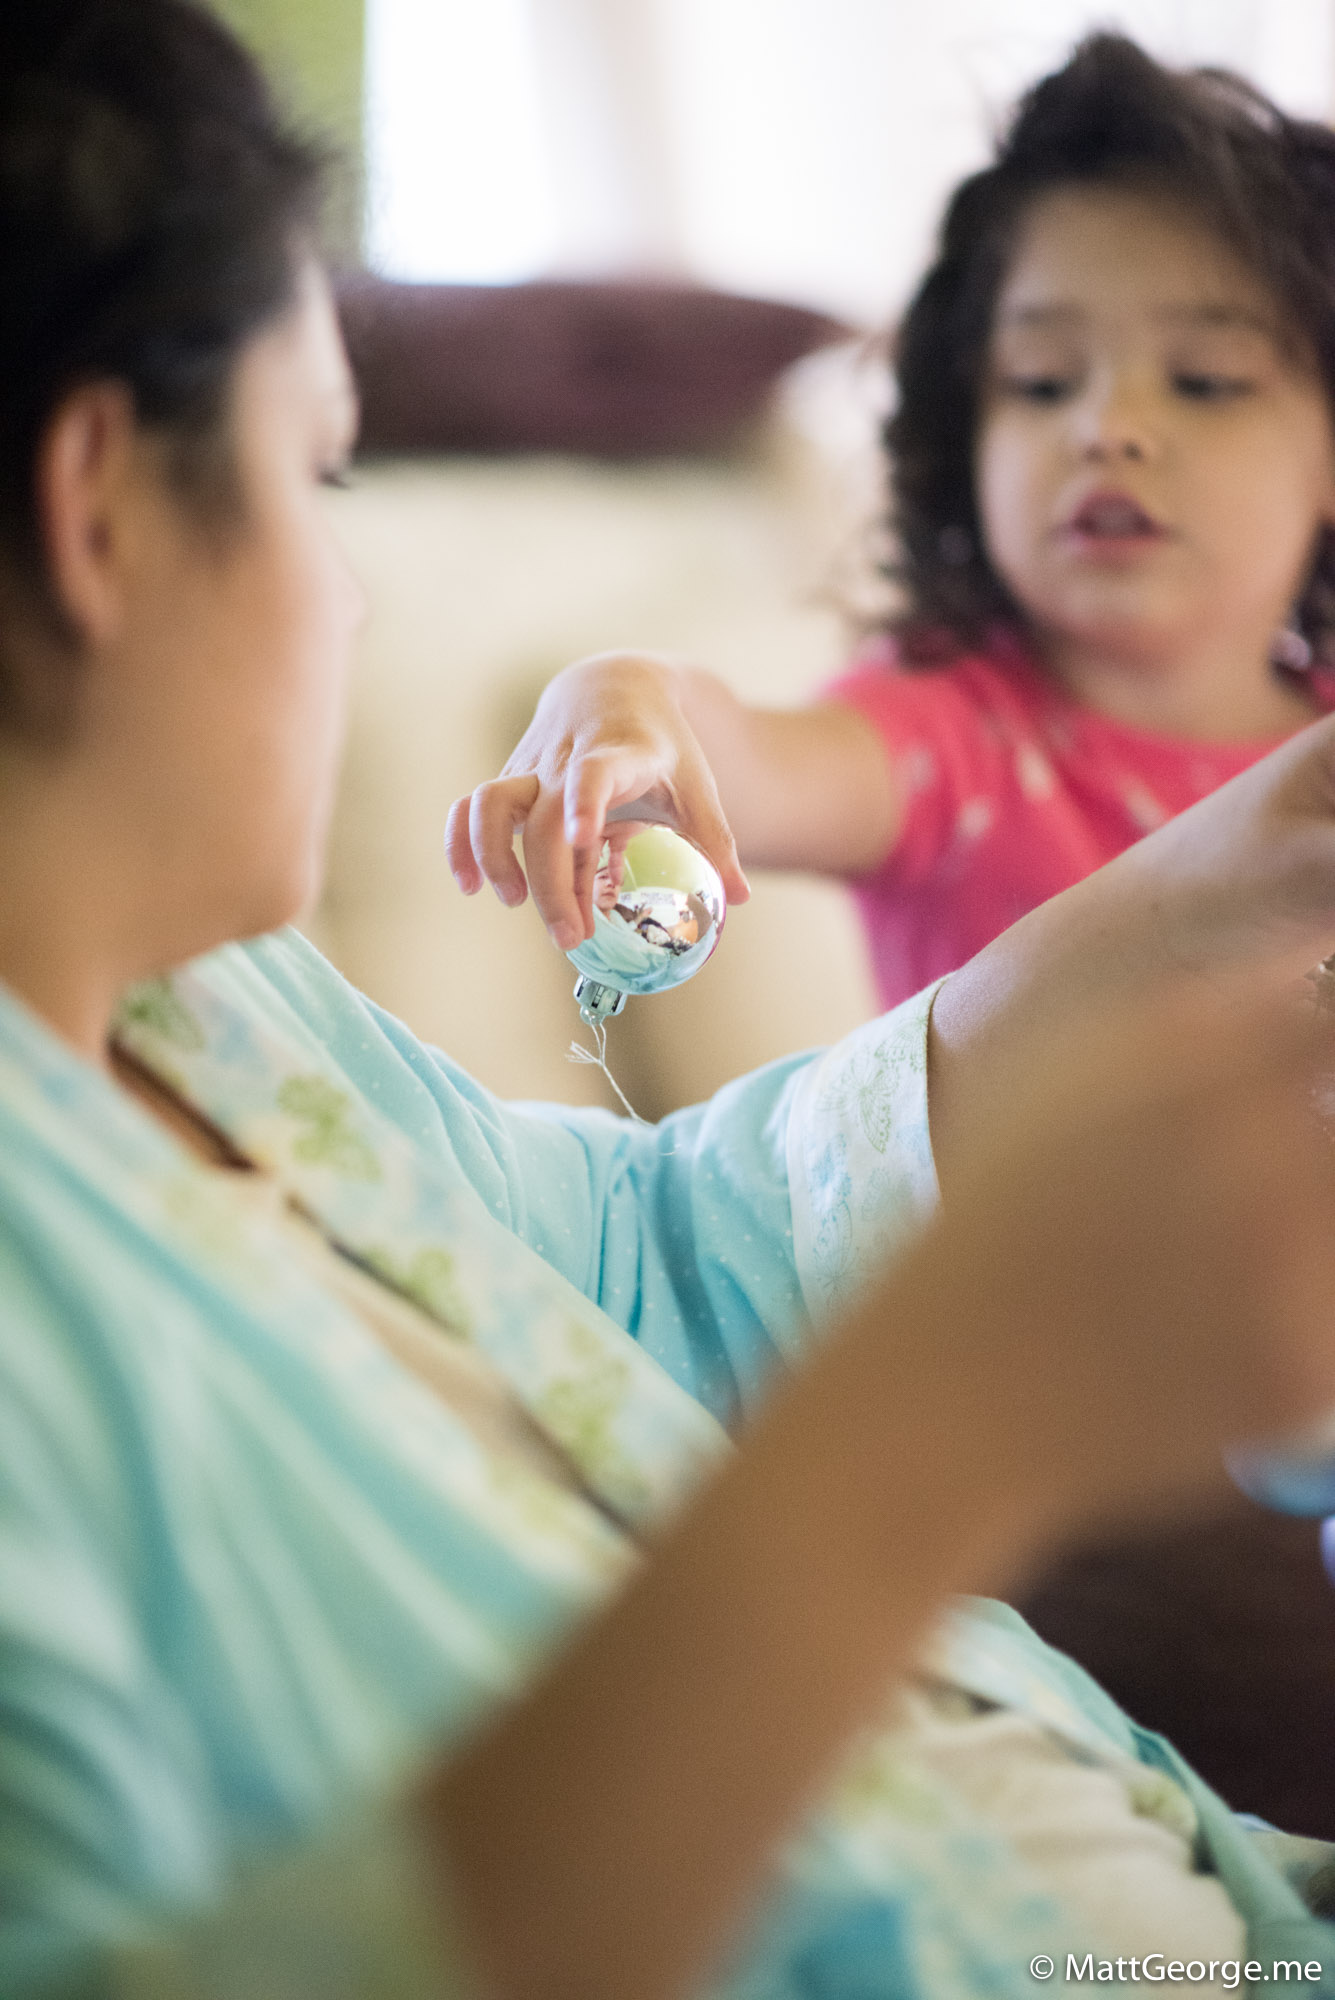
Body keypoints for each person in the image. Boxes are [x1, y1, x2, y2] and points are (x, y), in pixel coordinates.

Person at [6, 8, 1335, 2000]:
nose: (352, 594)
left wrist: (1285, 840)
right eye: (323, 468)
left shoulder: (219, 1015)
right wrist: (912, 1449)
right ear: (99, 505)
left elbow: (631, 1247)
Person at [446, 34, 1335, 1014]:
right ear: (968, 436)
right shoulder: (952, 745)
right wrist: (624, 696)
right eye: (1040, 383)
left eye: (1204, 382)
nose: (1107, 429)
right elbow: (751, 761)